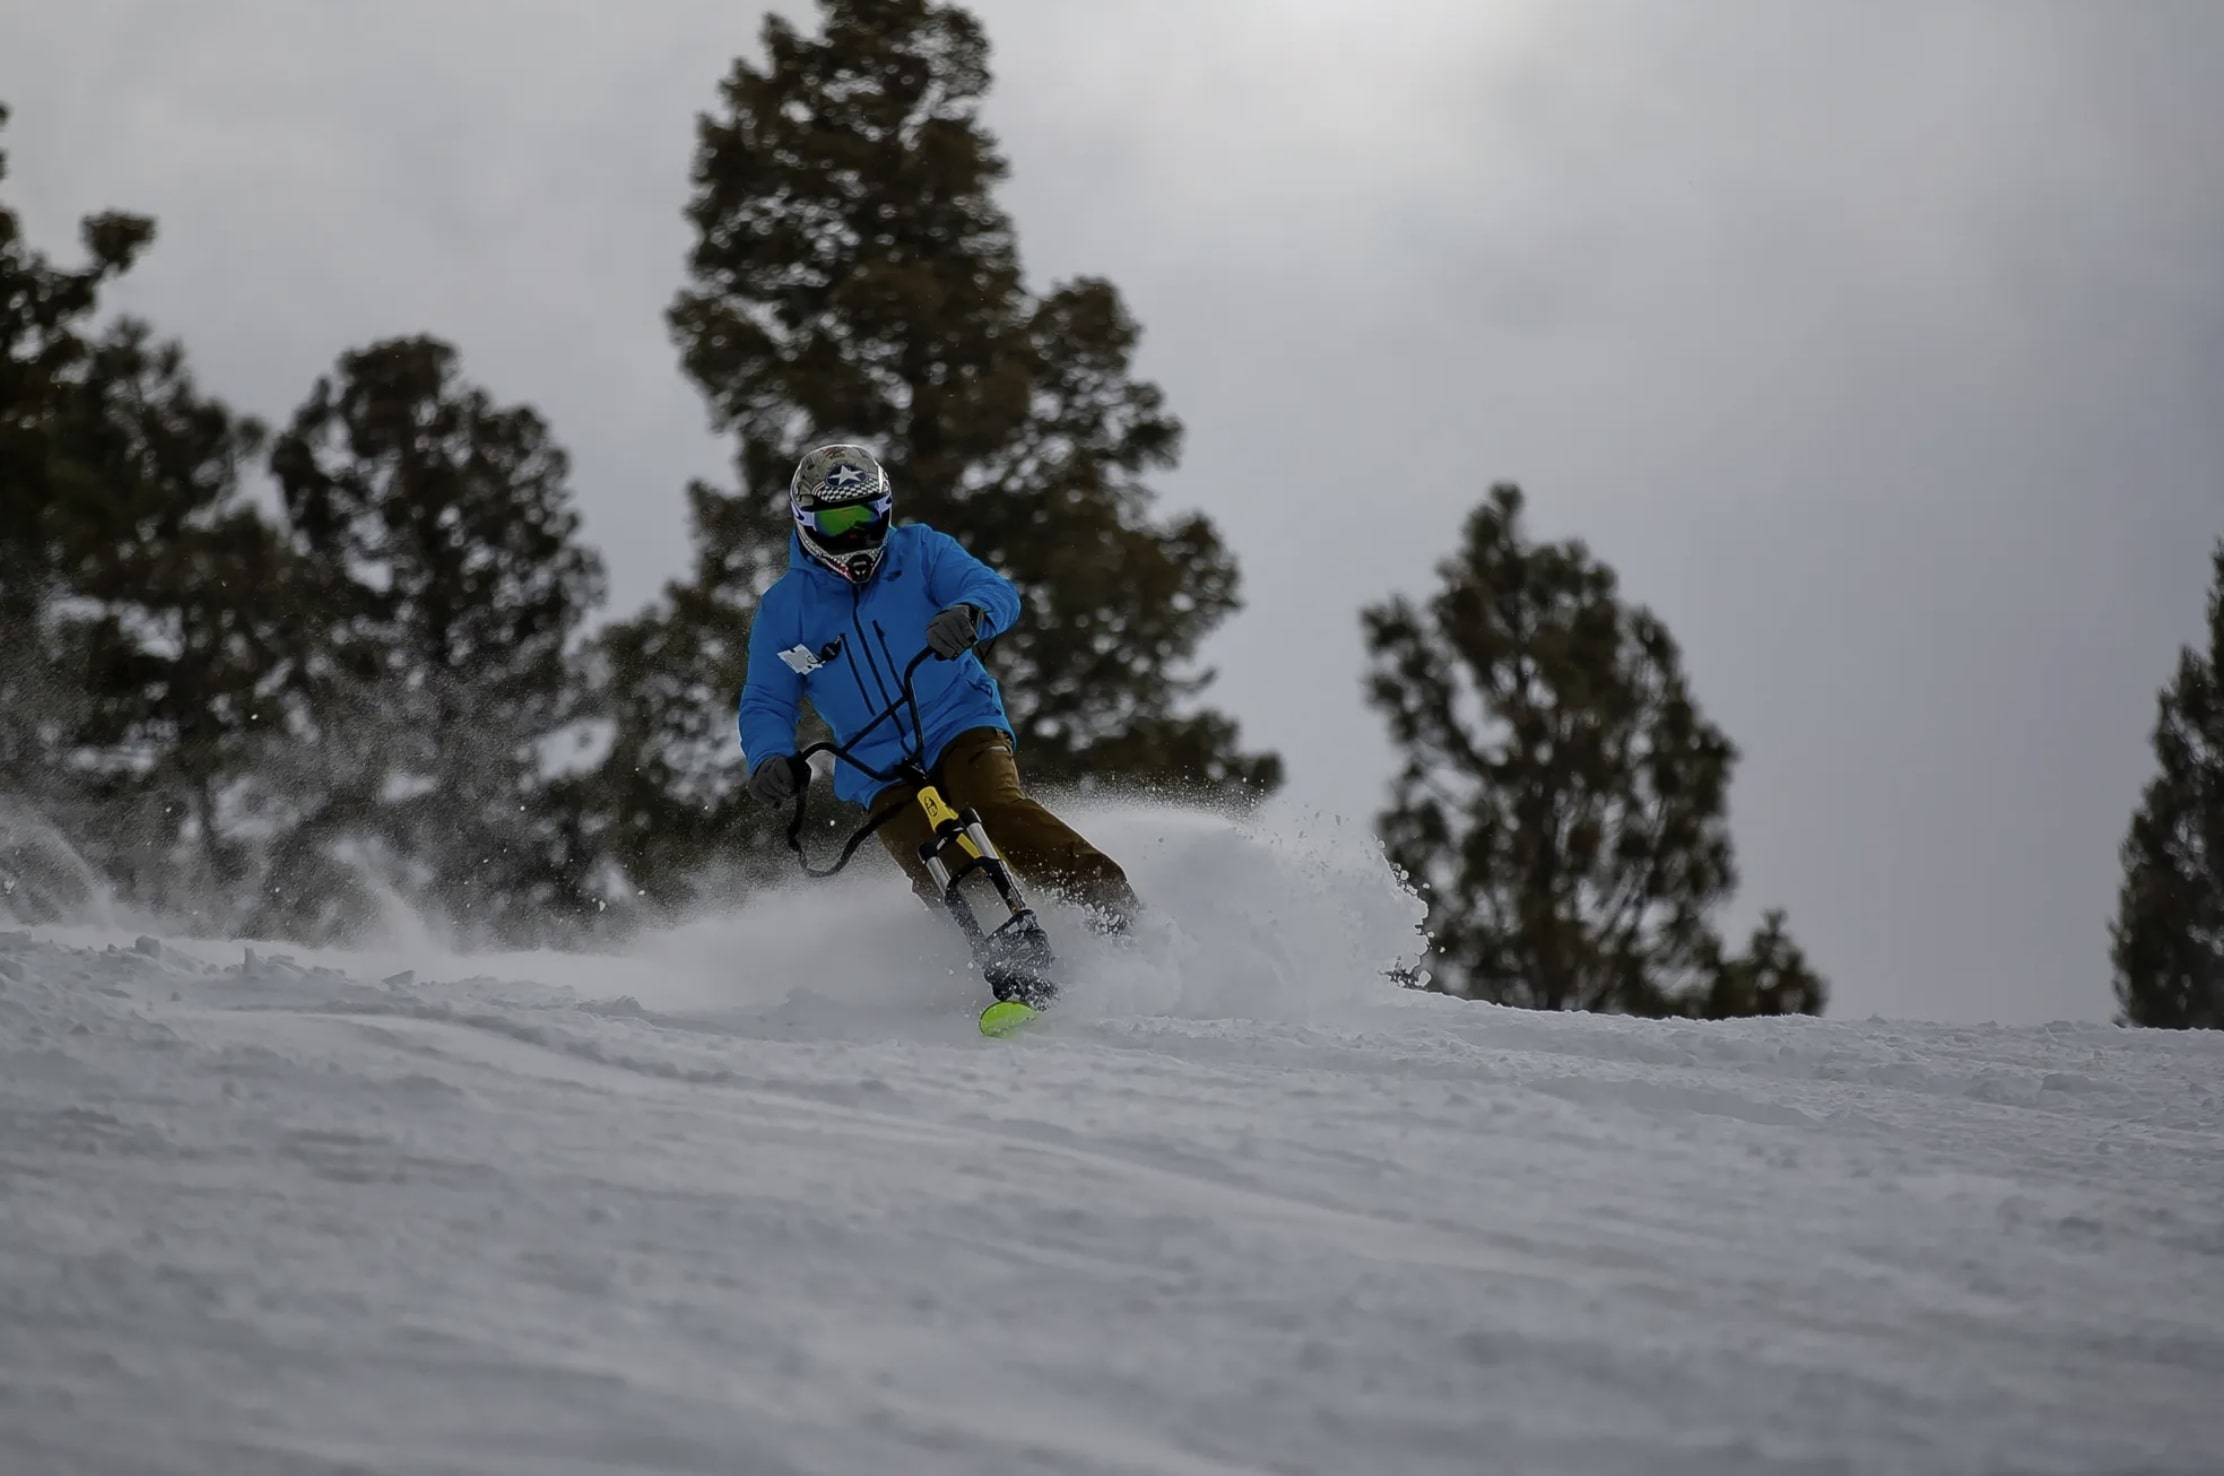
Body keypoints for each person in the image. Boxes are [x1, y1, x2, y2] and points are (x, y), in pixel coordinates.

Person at [738, 443, 1141, 934]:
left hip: (960, 720)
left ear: (886, 512)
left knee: (993, 809)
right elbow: (766, 699)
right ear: (806, 523)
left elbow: (995, 590)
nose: (855, 534)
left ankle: (1112, 906)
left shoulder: (924, 552)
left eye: (865, 517)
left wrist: (969, 612)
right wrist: (769, 756)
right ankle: (1000, 955)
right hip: (877, 763)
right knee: (931, 854)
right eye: (837, 524)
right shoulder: (783, 610)